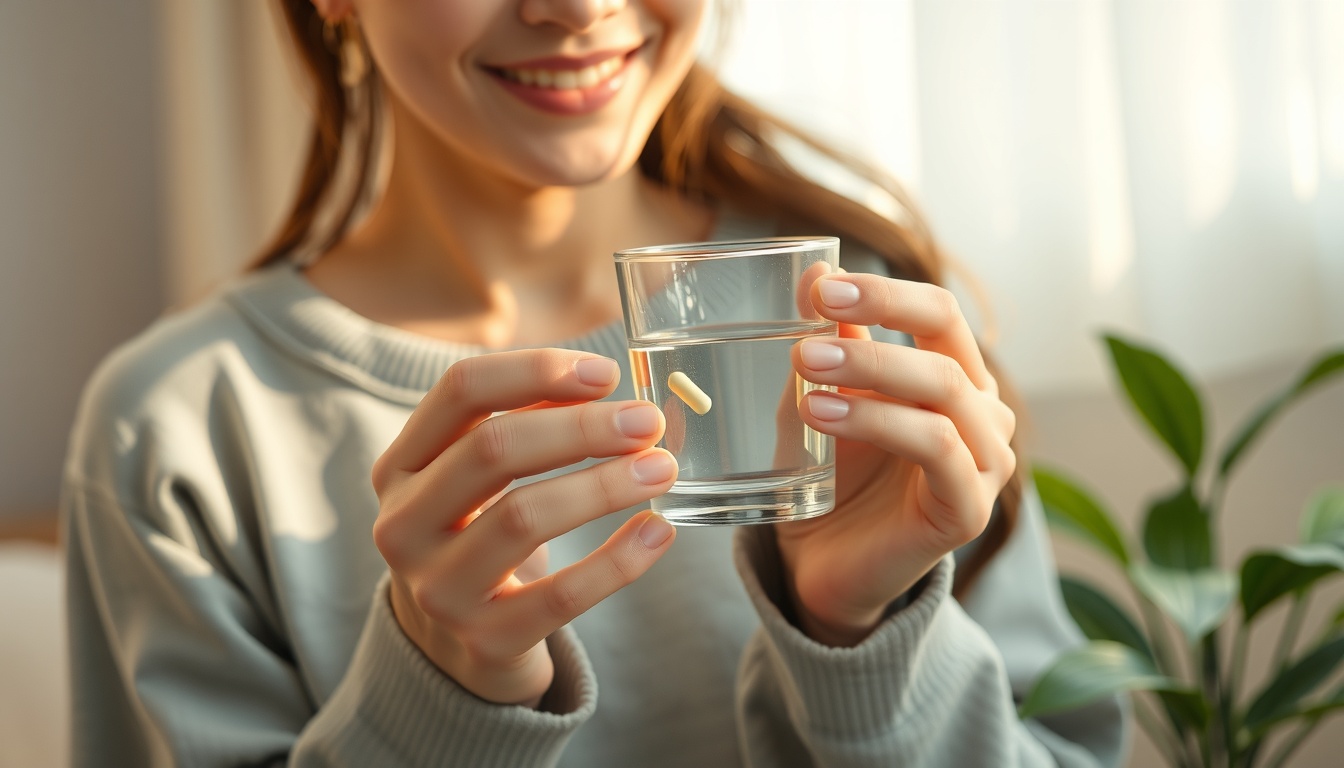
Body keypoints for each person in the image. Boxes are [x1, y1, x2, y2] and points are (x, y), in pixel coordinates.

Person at [61, 1, 1127, 765]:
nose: (574, 9)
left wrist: (865, 639)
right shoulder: (173, 432)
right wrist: (438, 703)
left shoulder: (859, 313)